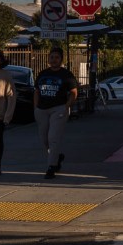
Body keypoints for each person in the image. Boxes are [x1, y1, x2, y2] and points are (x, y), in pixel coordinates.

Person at [33, 47, 77, 179]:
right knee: (44, 139)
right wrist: (36, 107)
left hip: (58, 109)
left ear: (61, 59)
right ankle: (57, 157)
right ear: (48, 59)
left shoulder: (66, 75)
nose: (54, 60)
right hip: (42, 109)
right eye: (52, 57)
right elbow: (36, 91)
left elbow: (74, 92)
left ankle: (51, 167)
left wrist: (66, 107)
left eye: (57, 57)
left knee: (53, 138)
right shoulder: (42, 74)